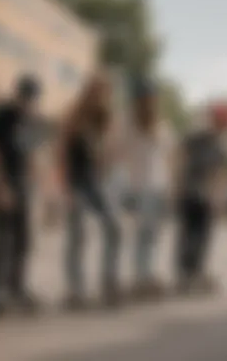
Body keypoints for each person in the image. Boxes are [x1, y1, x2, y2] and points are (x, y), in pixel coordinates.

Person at [58, 73, 121, 309]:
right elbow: (62, 152)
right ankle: (75, 290)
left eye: (106, 93)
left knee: (114, 227)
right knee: (78, 235)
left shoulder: (104, 118)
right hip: (77, 183)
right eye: (98, 91)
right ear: (89, 91)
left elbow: (107, 153)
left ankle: (108, 281)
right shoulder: (73, 117)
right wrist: (65, 186)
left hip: (96, 184)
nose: (102, 97)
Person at [0, 75, 42, 317]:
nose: (29, 104)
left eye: (33, 100)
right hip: (1, 181)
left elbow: (30, 155)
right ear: (19, 95)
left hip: (21, 184)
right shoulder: (3, 116)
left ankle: (16, 289)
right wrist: (1, 186)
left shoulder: (29, 120)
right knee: (1, 238)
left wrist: (32, 186)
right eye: (26, 98)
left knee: (22, 239)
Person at [173, 102, 227, 294]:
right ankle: (187, 275)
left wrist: (220, 199)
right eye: (222, 122)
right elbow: (179, 160)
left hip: (204, 195)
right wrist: (176, 187)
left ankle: (194, 274)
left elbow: (221, 174)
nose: (223, 127)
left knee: (200, 236)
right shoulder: (196, 139)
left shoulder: (219, 146)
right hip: (191, 193)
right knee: (190, 235)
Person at [124, 78, 172, 301]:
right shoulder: (129, 124)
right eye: (146, 98)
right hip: (139, 187)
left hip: (157, 186)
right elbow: (120, 156)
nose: (149, 102)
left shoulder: (160, 125)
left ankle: (148, 275)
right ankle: (141, 277)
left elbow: (166, 157)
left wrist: (170, 187)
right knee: (143, 234)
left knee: (152, 235)